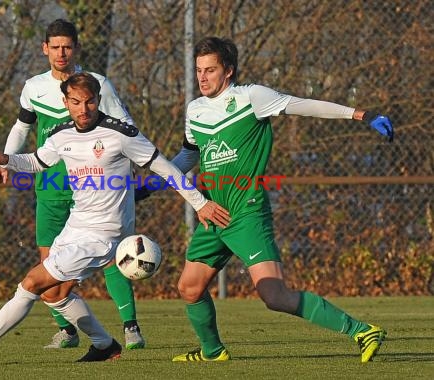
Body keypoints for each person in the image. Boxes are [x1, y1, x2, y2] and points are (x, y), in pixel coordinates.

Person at [137, 36, 392, 363]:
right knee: (189, 288)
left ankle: (361, 330)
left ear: (228, 71)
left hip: (246, 212)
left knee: (274, 295)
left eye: (210, 70)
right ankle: (213, 352)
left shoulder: (251, 97)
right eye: (199, 70)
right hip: (213, 212)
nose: (202, 77)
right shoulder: (195, 110)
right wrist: (148, 187)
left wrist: (362, 114)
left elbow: (305, 105)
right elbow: (187, 158)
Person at [0, 72, 230, 365]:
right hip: (75, 226)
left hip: (105, 235)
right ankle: (104, 345)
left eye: (89, 102)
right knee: (53, 295)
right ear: (65, 103)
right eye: (75, 102)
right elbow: (38, 161)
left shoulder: (121, 133)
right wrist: (5, 159)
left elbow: (165, 169)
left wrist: (200, 203)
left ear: (98, 100)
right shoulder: (61, 134)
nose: (83, 109)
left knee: (31, 282)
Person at [0, 19, 146, 349]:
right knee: (50, 265)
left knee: (113, 257)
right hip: (49, 186)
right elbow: (21, 128)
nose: (62, 53)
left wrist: (123, 177)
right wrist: (6, 160)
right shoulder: (34, 87)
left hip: (95, 189)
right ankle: (69, 331)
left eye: (68, 46)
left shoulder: (95, 86)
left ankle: (130, 327)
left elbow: (127, 130)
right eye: (56, 46)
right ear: (45, 49)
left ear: (76, 48)